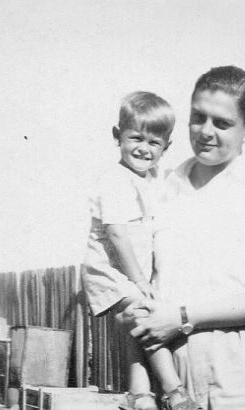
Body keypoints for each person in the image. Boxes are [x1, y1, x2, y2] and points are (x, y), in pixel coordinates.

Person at [119, 66, 245, 410]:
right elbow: (134, 290)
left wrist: (181, 316)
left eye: (222, 123)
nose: (206, 132)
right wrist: (142, 388)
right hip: (171, 371)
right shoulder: (159, 188)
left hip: (239, 367)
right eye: (198, 117)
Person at [82, 91, 200, 410]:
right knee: (147, 316)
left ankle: (141, 395)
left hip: (125, 271)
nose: (143, 149)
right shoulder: (116, 181)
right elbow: (117, 234)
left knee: (136, 323)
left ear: (166, 147)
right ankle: (174, 390)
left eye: (154, 143)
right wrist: (140, 281)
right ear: (117, 136)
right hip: (110, 271)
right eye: (135, 138)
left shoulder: (149, 180)